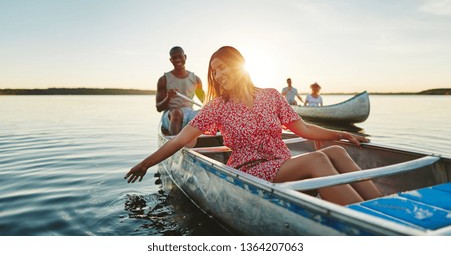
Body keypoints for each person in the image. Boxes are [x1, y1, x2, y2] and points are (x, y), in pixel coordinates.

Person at [125, 46, 382, 206]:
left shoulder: (271, 95)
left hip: (280, 164)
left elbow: (303, 128)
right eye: (213, 71)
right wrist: (146, 163)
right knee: (316, 160)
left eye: (221, 68)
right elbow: (180, 140)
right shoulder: (217, 107)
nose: (216, 75)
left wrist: (340, 133)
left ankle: (383, 208)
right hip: (249, 171)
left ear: (239, 67)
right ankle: (369, 230)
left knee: (336, 151)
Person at [156, 46, 205, 135]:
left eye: (180, 56)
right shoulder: (164, 80)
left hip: (189, 113)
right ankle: (175, 144)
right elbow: (159, 108)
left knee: (206, 113)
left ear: (185, 57)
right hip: (171, 114)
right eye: (174, 58)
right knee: (177, 112)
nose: (178, 60)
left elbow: (203, 100)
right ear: (171, 60)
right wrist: (168, 97)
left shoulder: (196, 79)